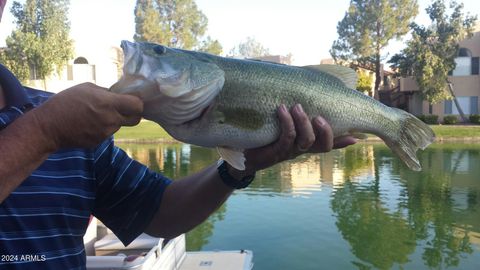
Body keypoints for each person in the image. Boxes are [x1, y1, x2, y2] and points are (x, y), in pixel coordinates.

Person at [0, 0, 356, 268]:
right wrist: (44, 132)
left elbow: (159, 214)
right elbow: (48, 130)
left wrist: (237, 169)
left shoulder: (70, 129)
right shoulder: (57, 123)